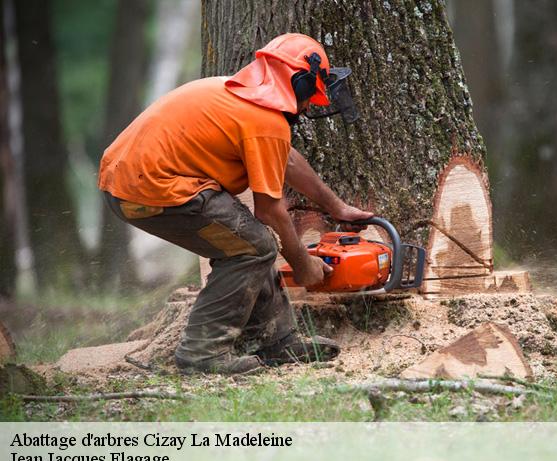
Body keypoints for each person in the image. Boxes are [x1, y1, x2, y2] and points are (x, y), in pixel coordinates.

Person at [98, 33, 373, 375]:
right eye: (309, 97)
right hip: (152, 189)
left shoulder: (239, 97)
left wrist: (337, 207)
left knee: (249, 243)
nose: (308, 106)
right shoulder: (265, 121)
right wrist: (303, 265)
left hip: (127, 183)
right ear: (300, 84)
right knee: (253, 246)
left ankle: (277, 340)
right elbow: (270, 210)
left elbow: (285, 159)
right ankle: (201, 354)